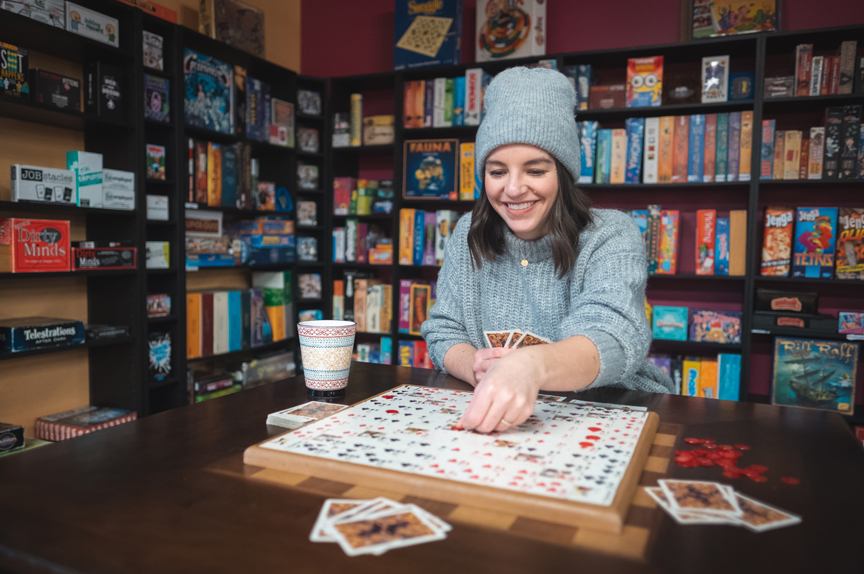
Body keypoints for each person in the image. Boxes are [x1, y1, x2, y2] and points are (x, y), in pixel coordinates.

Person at [421, 66, 674, 435]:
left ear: (563, 174)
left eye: (535, 171)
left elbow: (614, 335)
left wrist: (529, 366)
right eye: (496, 172)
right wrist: (472, 363)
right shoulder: (467, 233)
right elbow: (443, 330)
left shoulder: (612, 233)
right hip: (502, 426)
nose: (512, 189)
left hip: (610, 413)